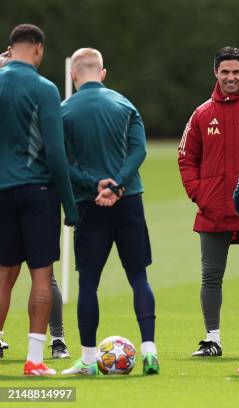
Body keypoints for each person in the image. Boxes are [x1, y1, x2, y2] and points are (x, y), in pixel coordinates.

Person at [59, 48, 159, 375]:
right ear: (103, 73)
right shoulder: (124, 104)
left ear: (74, 75)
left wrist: (94, 184)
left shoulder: (63, 111)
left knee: (88, 282)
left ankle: (88, 360)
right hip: (128, 200)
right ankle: (149, 352)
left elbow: (59, 162)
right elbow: (139, 149)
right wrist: (118, 186)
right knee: (139, 277)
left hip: (89, 203)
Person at [178, 47, 239, 358]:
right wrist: (200, 194)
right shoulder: (202, 113)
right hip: (213, 211)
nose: (231, 77)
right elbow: (186, 158)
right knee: (211, 276)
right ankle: (212, 339)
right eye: (225, 72)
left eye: (236, 72)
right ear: (216, 74)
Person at [0, 24, 79, 376]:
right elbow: (56, 153)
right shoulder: (44, 88)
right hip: (38, 192)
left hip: (1, 190)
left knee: (3, 276)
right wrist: (71, 205)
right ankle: (34, 360)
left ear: (10, 48)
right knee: (42, 276)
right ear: (38, 49)